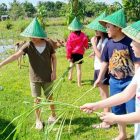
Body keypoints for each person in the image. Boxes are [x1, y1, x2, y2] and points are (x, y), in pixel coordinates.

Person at [83, 9, 140, 140]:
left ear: (118, 28)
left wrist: (114, 118)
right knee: (118, 108)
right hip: (115, 81)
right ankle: (122, 133)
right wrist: (95, 105)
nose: (131, 44)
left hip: (128, 79)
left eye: (134, 41)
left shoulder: (128, 45)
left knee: (132, 110)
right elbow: (124, 95)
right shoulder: (109, 43)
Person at [0, 18, 57, 130]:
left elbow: (54, 58)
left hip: (48, 76)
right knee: (36, 100)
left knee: (50, 97)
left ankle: (53, 115)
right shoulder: (28, 45)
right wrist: (1, 64)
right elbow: (16, 55)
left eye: (33, 36)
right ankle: (38, 120)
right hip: (34, 78)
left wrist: (54, 72)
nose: (31, 38)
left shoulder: (48, 44)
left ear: (40, 35)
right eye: (30, 36)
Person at [87, 12, 110, 129]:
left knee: (105, 94)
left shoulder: (106, 41)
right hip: (97, 68)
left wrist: (93, 46)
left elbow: (102, 57)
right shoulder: (100, 40)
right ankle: (106, 115)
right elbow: (99, 53)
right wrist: (93, 51)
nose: (95, 31)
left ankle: (107, 121)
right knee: (102, 93)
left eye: (97, 29)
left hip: (103, 69)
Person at [66, 17, 88, 87]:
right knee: (79, 69)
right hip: (79, 53)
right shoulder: (83, 35)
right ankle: (79, 83)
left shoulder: (70, 35)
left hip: (72, 53)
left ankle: (70, 76)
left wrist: (68, 56)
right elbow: (86, 44)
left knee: (71, 65)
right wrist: (86, 47)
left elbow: (68, 46)